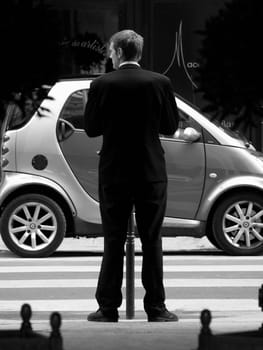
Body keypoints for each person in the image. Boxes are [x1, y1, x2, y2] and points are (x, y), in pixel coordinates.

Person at [84, 29, 179, 322]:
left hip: (114, 172)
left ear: (119, 52)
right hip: (150, 170)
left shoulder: (101, 84)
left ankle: (108, 307)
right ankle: (156, 308)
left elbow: (91, 128)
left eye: (111, 51)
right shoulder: (160, 83)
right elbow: (170, 126)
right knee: (152, 240)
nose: (110, 56)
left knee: (113, 239)